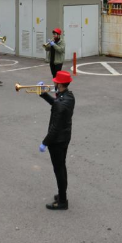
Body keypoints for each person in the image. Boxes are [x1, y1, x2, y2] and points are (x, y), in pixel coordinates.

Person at [38, 71, 75, 210]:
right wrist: (43, 94)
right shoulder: (69, 96)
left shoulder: (61, 102)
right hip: (64, 137)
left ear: (59, 84)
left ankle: (62, 201)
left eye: (55, 81)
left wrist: (45, 142)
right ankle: (62, 195)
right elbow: (55, 102)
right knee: (61, 167)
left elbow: (54, 128)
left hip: (57, 140)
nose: (53, 82)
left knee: (59, 170)